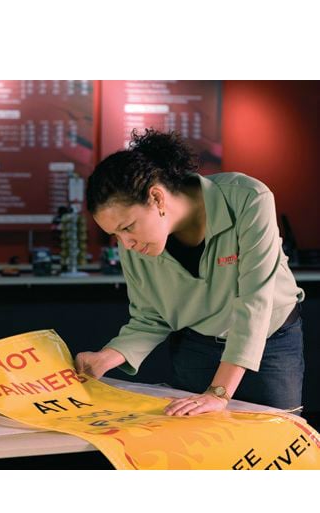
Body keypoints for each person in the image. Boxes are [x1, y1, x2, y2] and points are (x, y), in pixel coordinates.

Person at [75, 129, 305, 416]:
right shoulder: (134, 245)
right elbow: (150, 316)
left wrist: (218, 392)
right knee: (198, 439)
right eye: (115, 235)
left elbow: (255, 302)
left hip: (270, 342)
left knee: (276, 436)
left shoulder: (248, 198)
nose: (126, 243)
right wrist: (106, 357)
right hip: (197, 345)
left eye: (127, 227)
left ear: (157, 198)